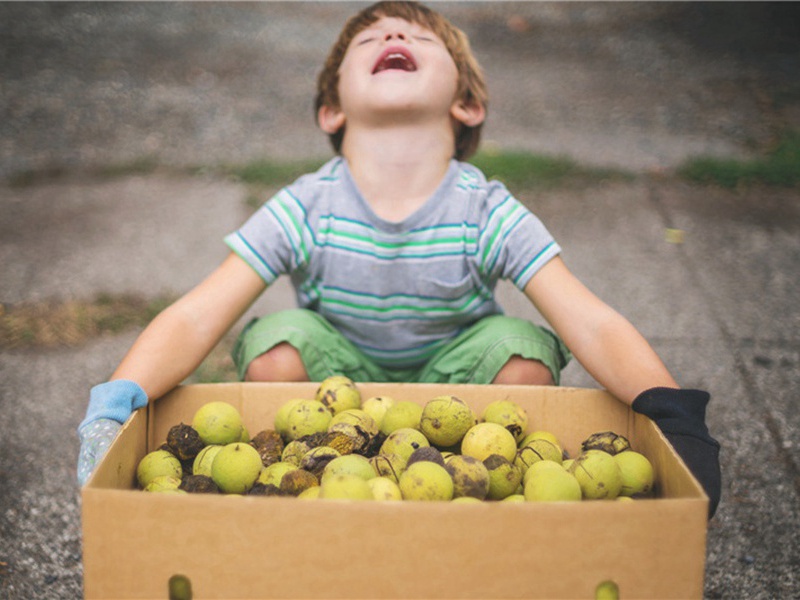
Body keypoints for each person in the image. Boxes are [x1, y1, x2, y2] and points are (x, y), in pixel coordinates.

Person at [77, 1, 720, 516]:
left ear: (466, 104)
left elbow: (590, 319)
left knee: (525, 358)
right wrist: (117, 399)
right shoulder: (307, 204)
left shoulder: (485, 209)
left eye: (419, 36)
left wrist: (670, 409)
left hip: (459, 403)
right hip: (333, 406)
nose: (392, 31)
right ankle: (301, 508)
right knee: (277, 351)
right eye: (370, 39)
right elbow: (197, 315)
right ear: (332, 109)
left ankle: (476, 519)